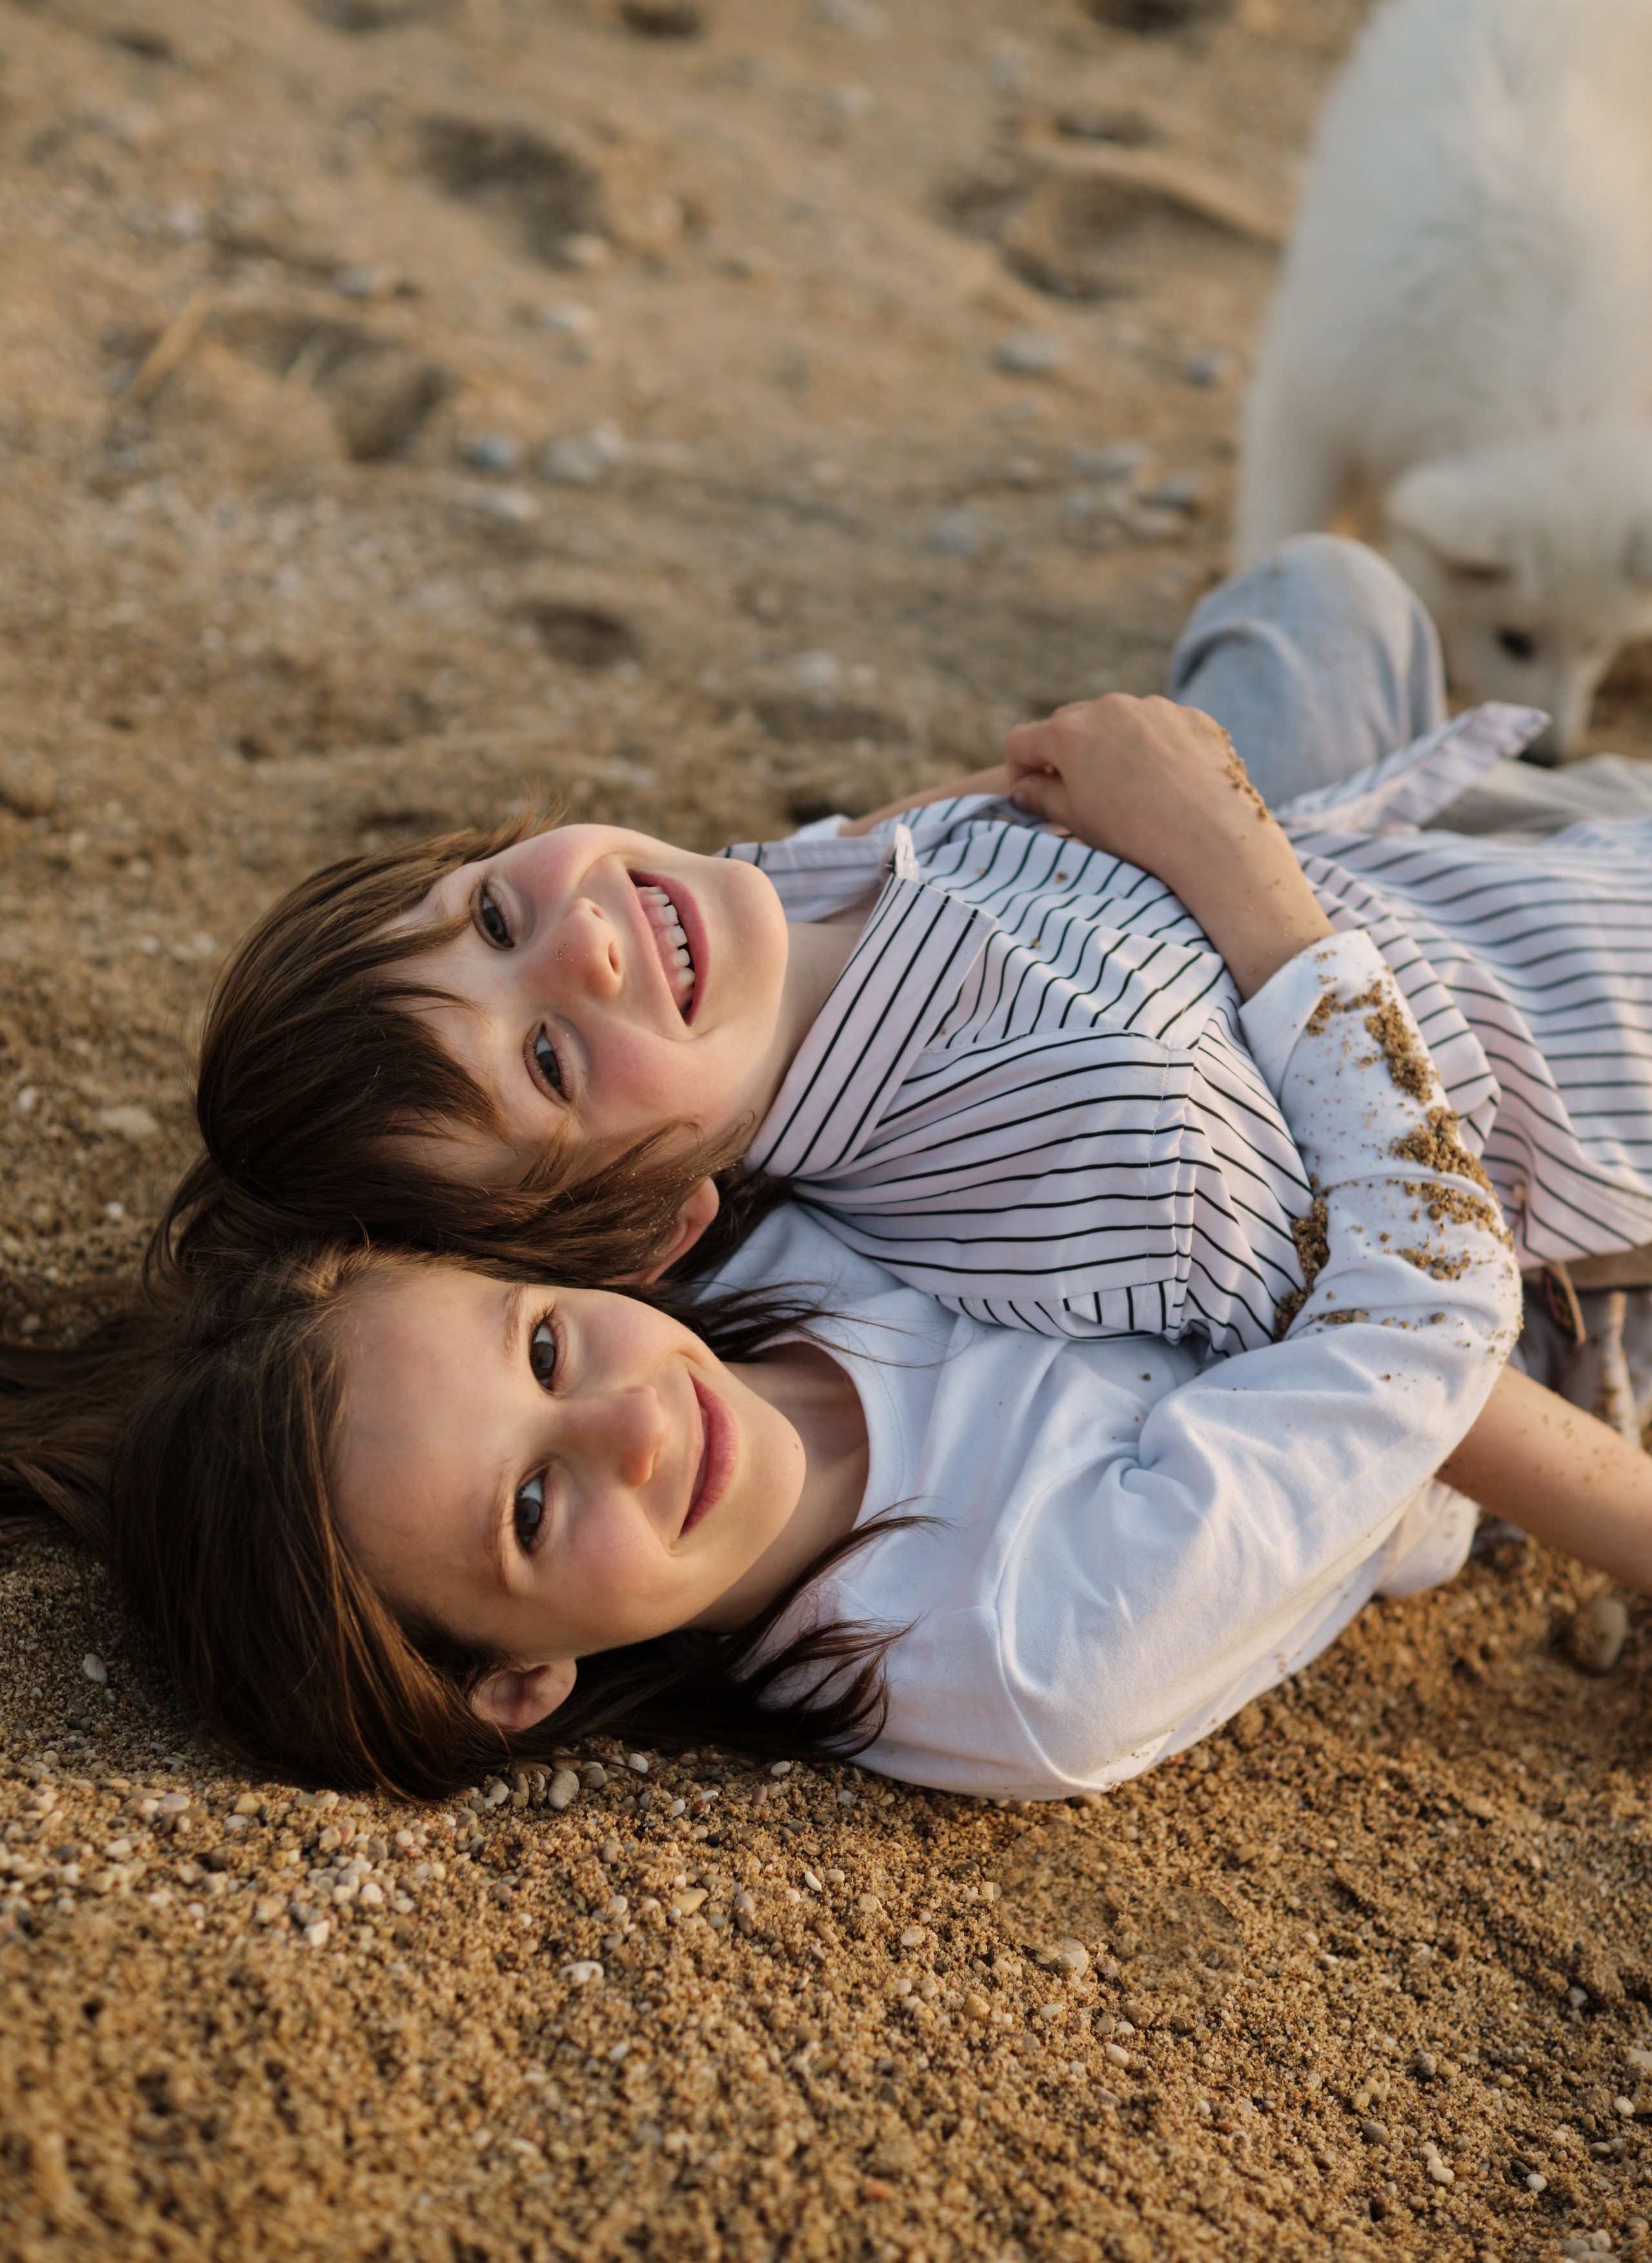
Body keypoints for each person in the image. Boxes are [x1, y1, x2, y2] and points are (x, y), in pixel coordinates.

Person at [28, 712, 1569, 1800]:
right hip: (1546, 1274)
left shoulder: (725, 1256)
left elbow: (803, 930)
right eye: (530, 1506)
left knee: (1305, 634)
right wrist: (1250, 890)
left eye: (547, 1346)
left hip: (1296, 981)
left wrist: (1138, 802)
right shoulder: (1020, 1642)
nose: (633, 1425)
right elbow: (1421, 1326)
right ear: (515, 1683)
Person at [156, 541, 1652, 1389]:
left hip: (1441, 875)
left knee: (1321, 593)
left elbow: (983, 819)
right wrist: (1216, 845)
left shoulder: (755, 911)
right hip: (1572, 1012)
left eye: (489, 915)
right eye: (545, 1061)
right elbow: (1396, 1307)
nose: (584, 939)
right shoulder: (1083, 1131)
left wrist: (1043, 795)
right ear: (652, 1229)